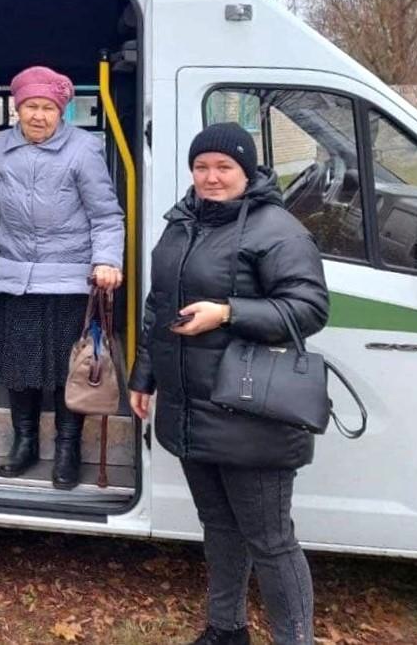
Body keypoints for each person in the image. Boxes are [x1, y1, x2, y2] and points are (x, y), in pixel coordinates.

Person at [128, 122, 329, 645]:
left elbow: (308, 308)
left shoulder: (277, 229)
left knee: (270, 539)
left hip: (250, 412)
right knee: (218, 527)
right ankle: (226, 629)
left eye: (224, 168)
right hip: (190, 404)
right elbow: (157, 307)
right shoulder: (182, 223)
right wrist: (144, 374)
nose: (211, 177)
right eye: (202, 167)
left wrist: (227, 312)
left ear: (248, 171)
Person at [0, 65, 124, 488]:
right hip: (16, 275)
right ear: (18, 109)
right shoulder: (1, 148)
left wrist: (106, 262)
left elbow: (106, 216)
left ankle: (68, 449)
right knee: (19, 367)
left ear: (62, 111)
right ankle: (25, 443)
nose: (38, 116)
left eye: (48, 108)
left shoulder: (83, 149)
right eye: (30, 107)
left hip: (71, 278)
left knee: (67, 369)